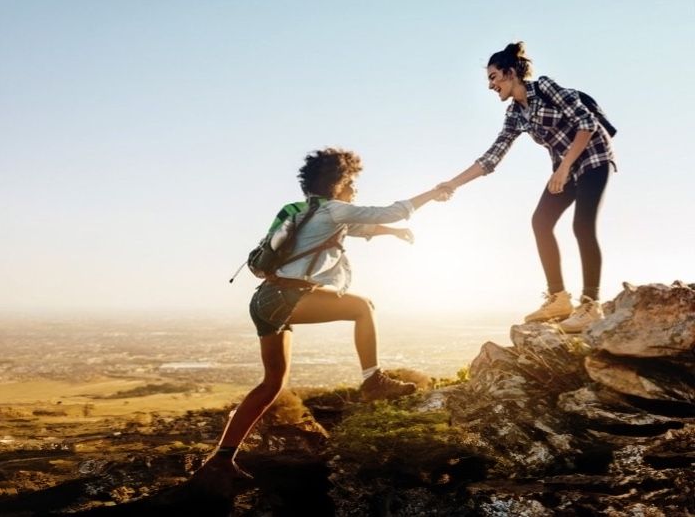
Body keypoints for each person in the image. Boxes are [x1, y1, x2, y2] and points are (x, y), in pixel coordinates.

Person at [198, 147, 449, 483]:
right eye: (353, 183)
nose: (356, 189)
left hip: (265, 300)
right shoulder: (334, 210)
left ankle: (221, 458)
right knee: (363, 307)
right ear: (340, 183)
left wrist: (392, 234)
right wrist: (434, 193)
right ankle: (374, 380)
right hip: (287, 296)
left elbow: (364, 229)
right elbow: (389, 211)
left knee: (272, 384)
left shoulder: (308, 211)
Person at [435, 42, 617, 332]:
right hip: (565, 170)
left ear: (510, 73)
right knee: (541, 221)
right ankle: (558, 298)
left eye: (493, 77)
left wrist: (564, 166)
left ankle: (590, 305)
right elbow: (491, 157)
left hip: (593, 158)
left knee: (582, 225)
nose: (490, 85)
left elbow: (587, 123)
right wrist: (452, 184)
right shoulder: (514, 115)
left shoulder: (546, 87)